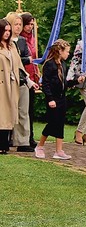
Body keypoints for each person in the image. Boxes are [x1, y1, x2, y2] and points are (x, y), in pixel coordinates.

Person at [35, 39, 83, 159]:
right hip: (53, 99)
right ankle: (40, 146)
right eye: (66, 51)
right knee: (52, 123)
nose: (68, 54)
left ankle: (59, 150)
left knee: (60, 123)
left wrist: (76, 81)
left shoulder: (63, 64)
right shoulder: (49, 64)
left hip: (62, 98)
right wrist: (50, 98)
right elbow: (45, 83)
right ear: (60, 51)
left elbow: (64, 83)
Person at [5, 12, 38, 152]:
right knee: (7, 110)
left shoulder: (23, 41)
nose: (18, 27)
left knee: (23, 111)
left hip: (22, 78)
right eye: (15, 24)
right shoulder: (6, 42)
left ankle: (23, 141)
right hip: (8, 79)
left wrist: (29, 80)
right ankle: (6, 139)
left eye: (20, 24)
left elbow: (25, 59)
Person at [0, 19, 27, 154]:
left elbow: (19, 66)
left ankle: (5, 144)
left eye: (8, 31)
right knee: (2, 114)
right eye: (4, 30)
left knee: (9, 113)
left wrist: (28, 80)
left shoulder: (12, 46)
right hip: (1, 84)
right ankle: (2, 144)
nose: (7, 33)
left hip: (11, 83)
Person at [20, 12, 39, 148]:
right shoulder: (20, 40)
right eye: (28, 24)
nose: (30, 27)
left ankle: (30, 136)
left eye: (32, 24)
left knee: (30, 109)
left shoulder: (32, 39)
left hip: (32, 76)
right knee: (22, 110)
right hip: (22, 75)